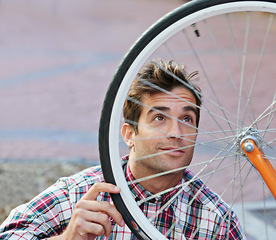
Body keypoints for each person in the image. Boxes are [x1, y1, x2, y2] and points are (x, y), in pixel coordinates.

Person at [0, 60, 246, 239]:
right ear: (130, 134)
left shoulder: (216, 222)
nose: (176, 132)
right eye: (160, 118)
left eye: (187, 119)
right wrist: (67, 238)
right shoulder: (81, 195)